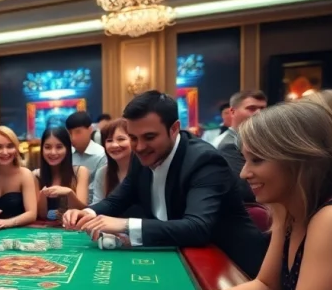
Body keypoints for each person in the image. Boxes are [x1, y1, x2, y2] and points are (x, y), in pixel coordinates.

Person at [122, 101, 332, 290]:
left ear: (299, 159)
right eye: (245, 159)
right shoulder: (288, 209)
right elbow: (266, 287)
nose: (243, 173)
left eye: (257, 160)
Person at [63, 90, 267, 277]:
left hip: (231, 267)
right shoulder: (140, 155)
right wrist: (88, 213)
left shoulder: (204, 161)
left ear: (174, 129)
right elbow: (120, 198)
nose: (140, 147)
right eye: (133, 138)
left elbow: (197, 228)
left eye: (149, 137)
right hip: (180, 258)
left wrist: (125, 225)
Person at [217, 90, 268, 203]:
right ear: (232, 111)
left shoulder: (264, 140)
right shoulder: (227, 145)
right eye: (251, 108)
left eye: (263, 108)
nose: (258, 113)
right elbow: (246, 191)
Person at [0, 126, 37, 229]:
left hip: (19, 232)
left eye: (10, 146)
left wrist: (7, 223)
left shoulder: (25, 174)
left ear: (16, 148)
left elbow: (32, 214)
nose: (5, 152)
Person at [33, 126, 89, 221]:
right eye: (47, 147)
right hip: (43, 230)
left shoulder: (80, 172)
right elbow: (41, 215)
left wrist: (69, 193)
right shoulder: (35, 175)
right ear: (42, 149)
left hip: (73, 229)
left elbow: (81, 210)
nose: (53, 152)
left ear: (67, 149)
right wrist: (42, 195)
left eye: (59, 147)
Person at [65, 111, 106, 200]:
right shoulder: (67, 153)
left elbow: (99, 194)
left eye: (78, 132)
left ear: (90, 130)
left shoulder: (101, 155)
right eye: (70, 133)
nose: (73, 138)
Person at [90, 118, 132, 205]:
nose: (114, 145)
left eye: (121, 139)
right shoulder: (103, 172)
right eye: (109, 140)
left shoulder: (145, 170)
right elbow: (97, 204)